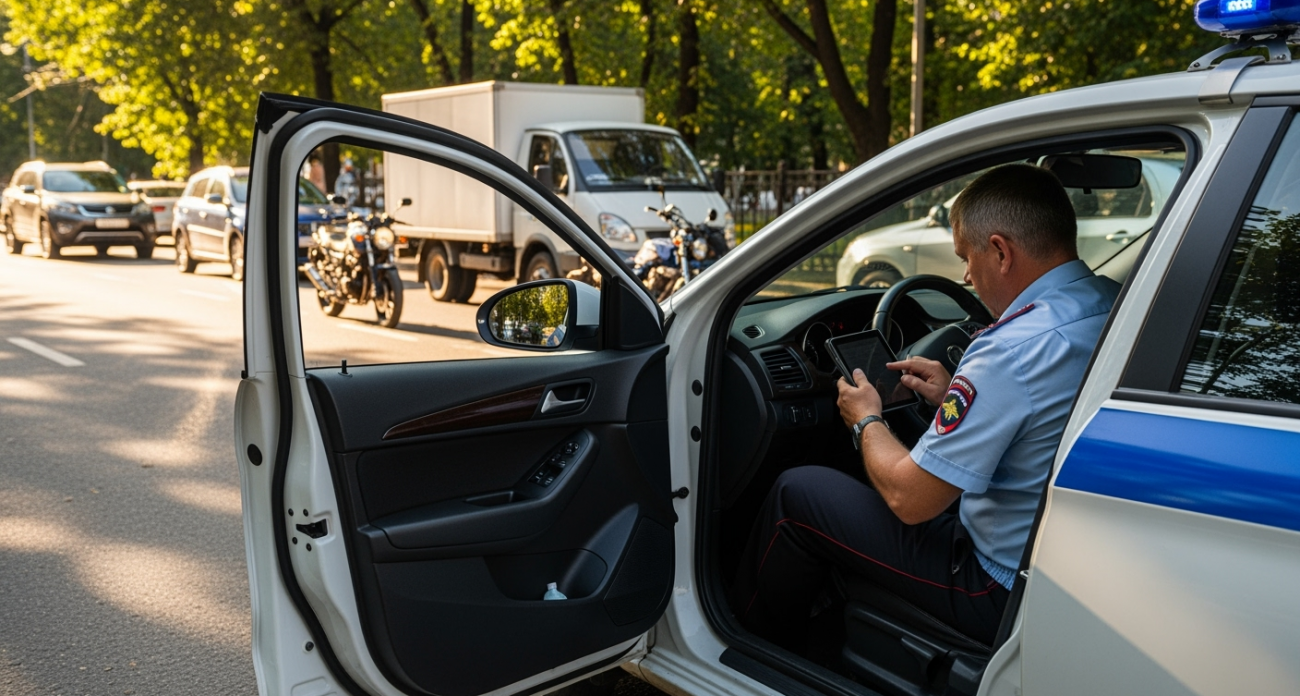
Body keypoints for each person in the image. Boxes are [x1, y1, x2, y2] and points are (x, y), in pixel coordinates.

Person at [730, 163, 1122, 653]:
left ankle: (742, 649)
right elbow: (1046, 414)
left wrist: (866, 419)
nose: (965, 275)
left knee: (796, 492)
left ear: (1000, 252)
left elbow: (909, 501)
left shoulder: (1008, 350)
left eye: (967, 257)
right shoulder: (1110, 301)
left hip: (995, 583)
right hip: (1058, 559)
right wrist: (951, 397)